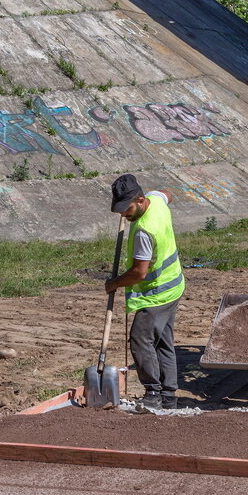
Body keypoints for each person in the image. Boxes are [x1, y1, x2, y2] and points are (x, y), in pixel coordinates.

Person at [106, 174, 184, 413]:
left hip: (156, 294)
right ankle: (168, 395)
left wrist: (115, 283)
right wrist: (157, 196)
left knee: (140, 340)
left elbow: (139, 272)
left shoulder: (143, 231)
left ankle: (153, 393)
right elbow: (168, 193)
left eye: (126, 209)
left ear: (140, 200)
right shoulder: (156, 201)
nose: (123, 215)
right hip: (174, 286)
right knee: (162, 342)